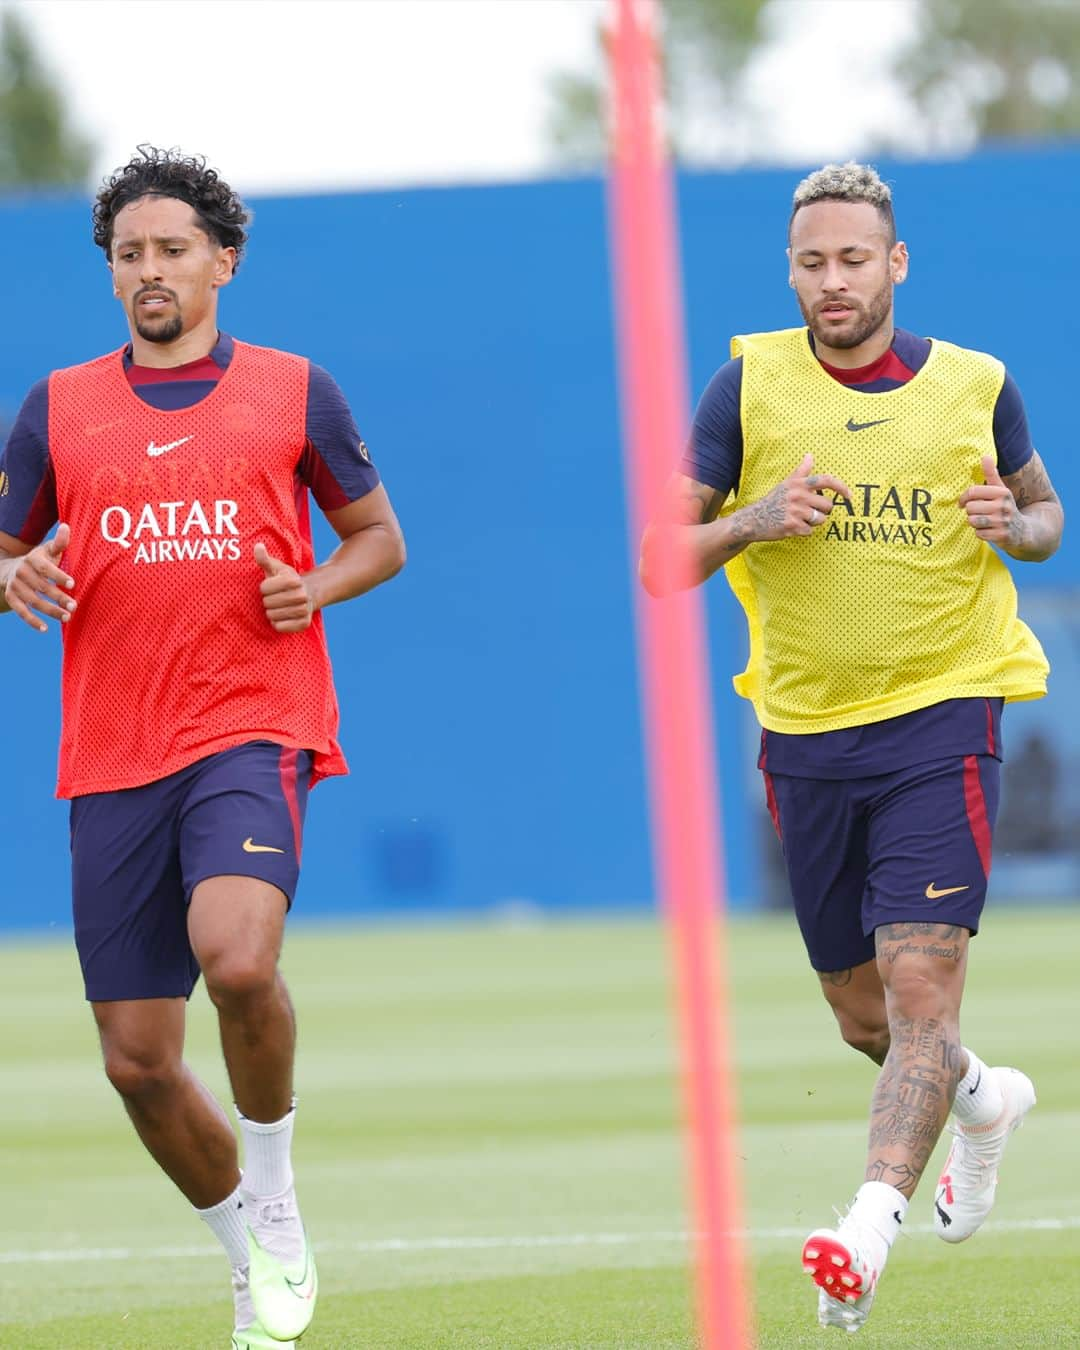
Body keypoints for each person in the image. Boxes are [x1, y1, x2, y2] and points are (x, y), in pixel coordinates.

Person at [639, 162, 1064, 1332]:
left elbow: (1044, 515)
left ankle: (864, 1229)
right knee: (869, 1022)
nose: (834, 281)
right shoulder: (747, 386)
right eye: (813, 262)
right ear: (792, 271)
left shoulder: (976, 385)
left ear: (896, 264)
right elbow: (658, 558)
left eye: (854, 259)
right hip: (808, 736)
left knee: (921, 987)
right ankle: (982, 1105)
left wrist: (1014, 529)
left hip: (944, 713)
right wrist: (753, 519)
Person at [0, 147, 406, 1349]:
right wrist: (12, 565)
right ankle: (248, 1253)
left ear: (224, 260)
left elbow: (380, 537)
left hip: (251, 723)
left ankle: (274, 1192)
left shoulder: (293, 392)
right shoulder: (58, 406)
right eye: (128, 254)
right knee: (136, 1062)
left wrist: (316, 585)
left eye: (173, 249)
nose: (150, 271)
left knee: (236, 960)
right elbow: (1, 542)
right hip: (111, 752)